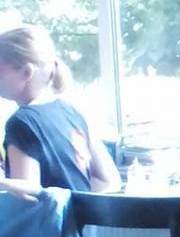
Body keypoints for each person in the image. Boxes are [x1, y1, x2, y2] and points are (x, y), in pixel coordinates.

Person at [0, 25, 120, 201]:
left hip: (49, 220)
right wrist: (76, 206)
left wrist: (3, 183)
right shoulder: (72, 111)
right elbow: (108, 180)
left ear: (26, 72)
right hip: (80, 219)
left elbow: (27, 199)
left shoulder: (21, 122)